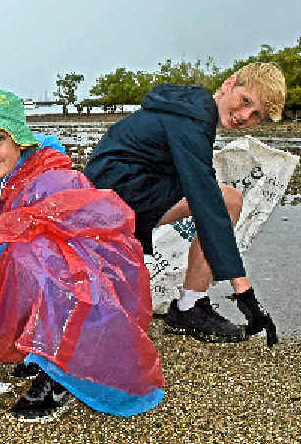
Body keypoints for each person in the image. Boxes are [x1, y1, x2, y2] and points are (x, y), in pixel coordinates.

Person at [0, 89, 164, 423]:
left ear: (20, 141)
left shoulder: (51, 182)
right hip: (11, 294)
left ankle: (59, 370)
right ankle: (29, 347)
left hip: (81, 300)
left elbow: (45, 272)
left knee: (29, 254)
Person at [84, 63, 286, 347]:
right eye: (245, 101)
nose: (244, 116)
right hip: (113, 196)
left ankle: (190, 305)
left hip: (122, 190)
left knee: (220, 197)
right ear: (229, 84)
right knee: (223, 202)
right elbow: (205, 199)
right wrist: (245, 294)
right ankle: (190, 307)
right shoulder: (195, 117)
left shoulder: (191, 106)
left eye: (256, 115)